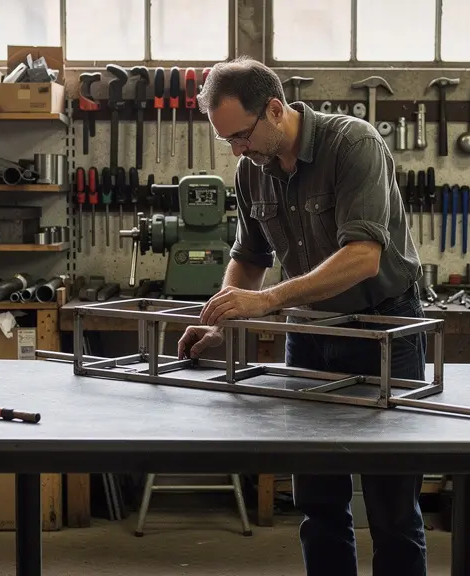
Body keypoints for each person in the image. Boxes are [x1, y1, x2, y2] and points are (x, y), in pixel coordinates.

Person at [177, 55, 428, 576]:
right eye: (227, 142)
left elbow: (364, 256)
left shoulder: (352, 144)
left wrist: (267, 302)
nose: (237, 151)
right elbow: (249, 257)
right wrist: (218, 317)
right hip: (310, 333)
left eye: (241, 136)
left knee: (391, 506)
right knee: (318, 502)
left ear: (274, 109)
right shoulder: (252, 172)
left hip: (382, 328)